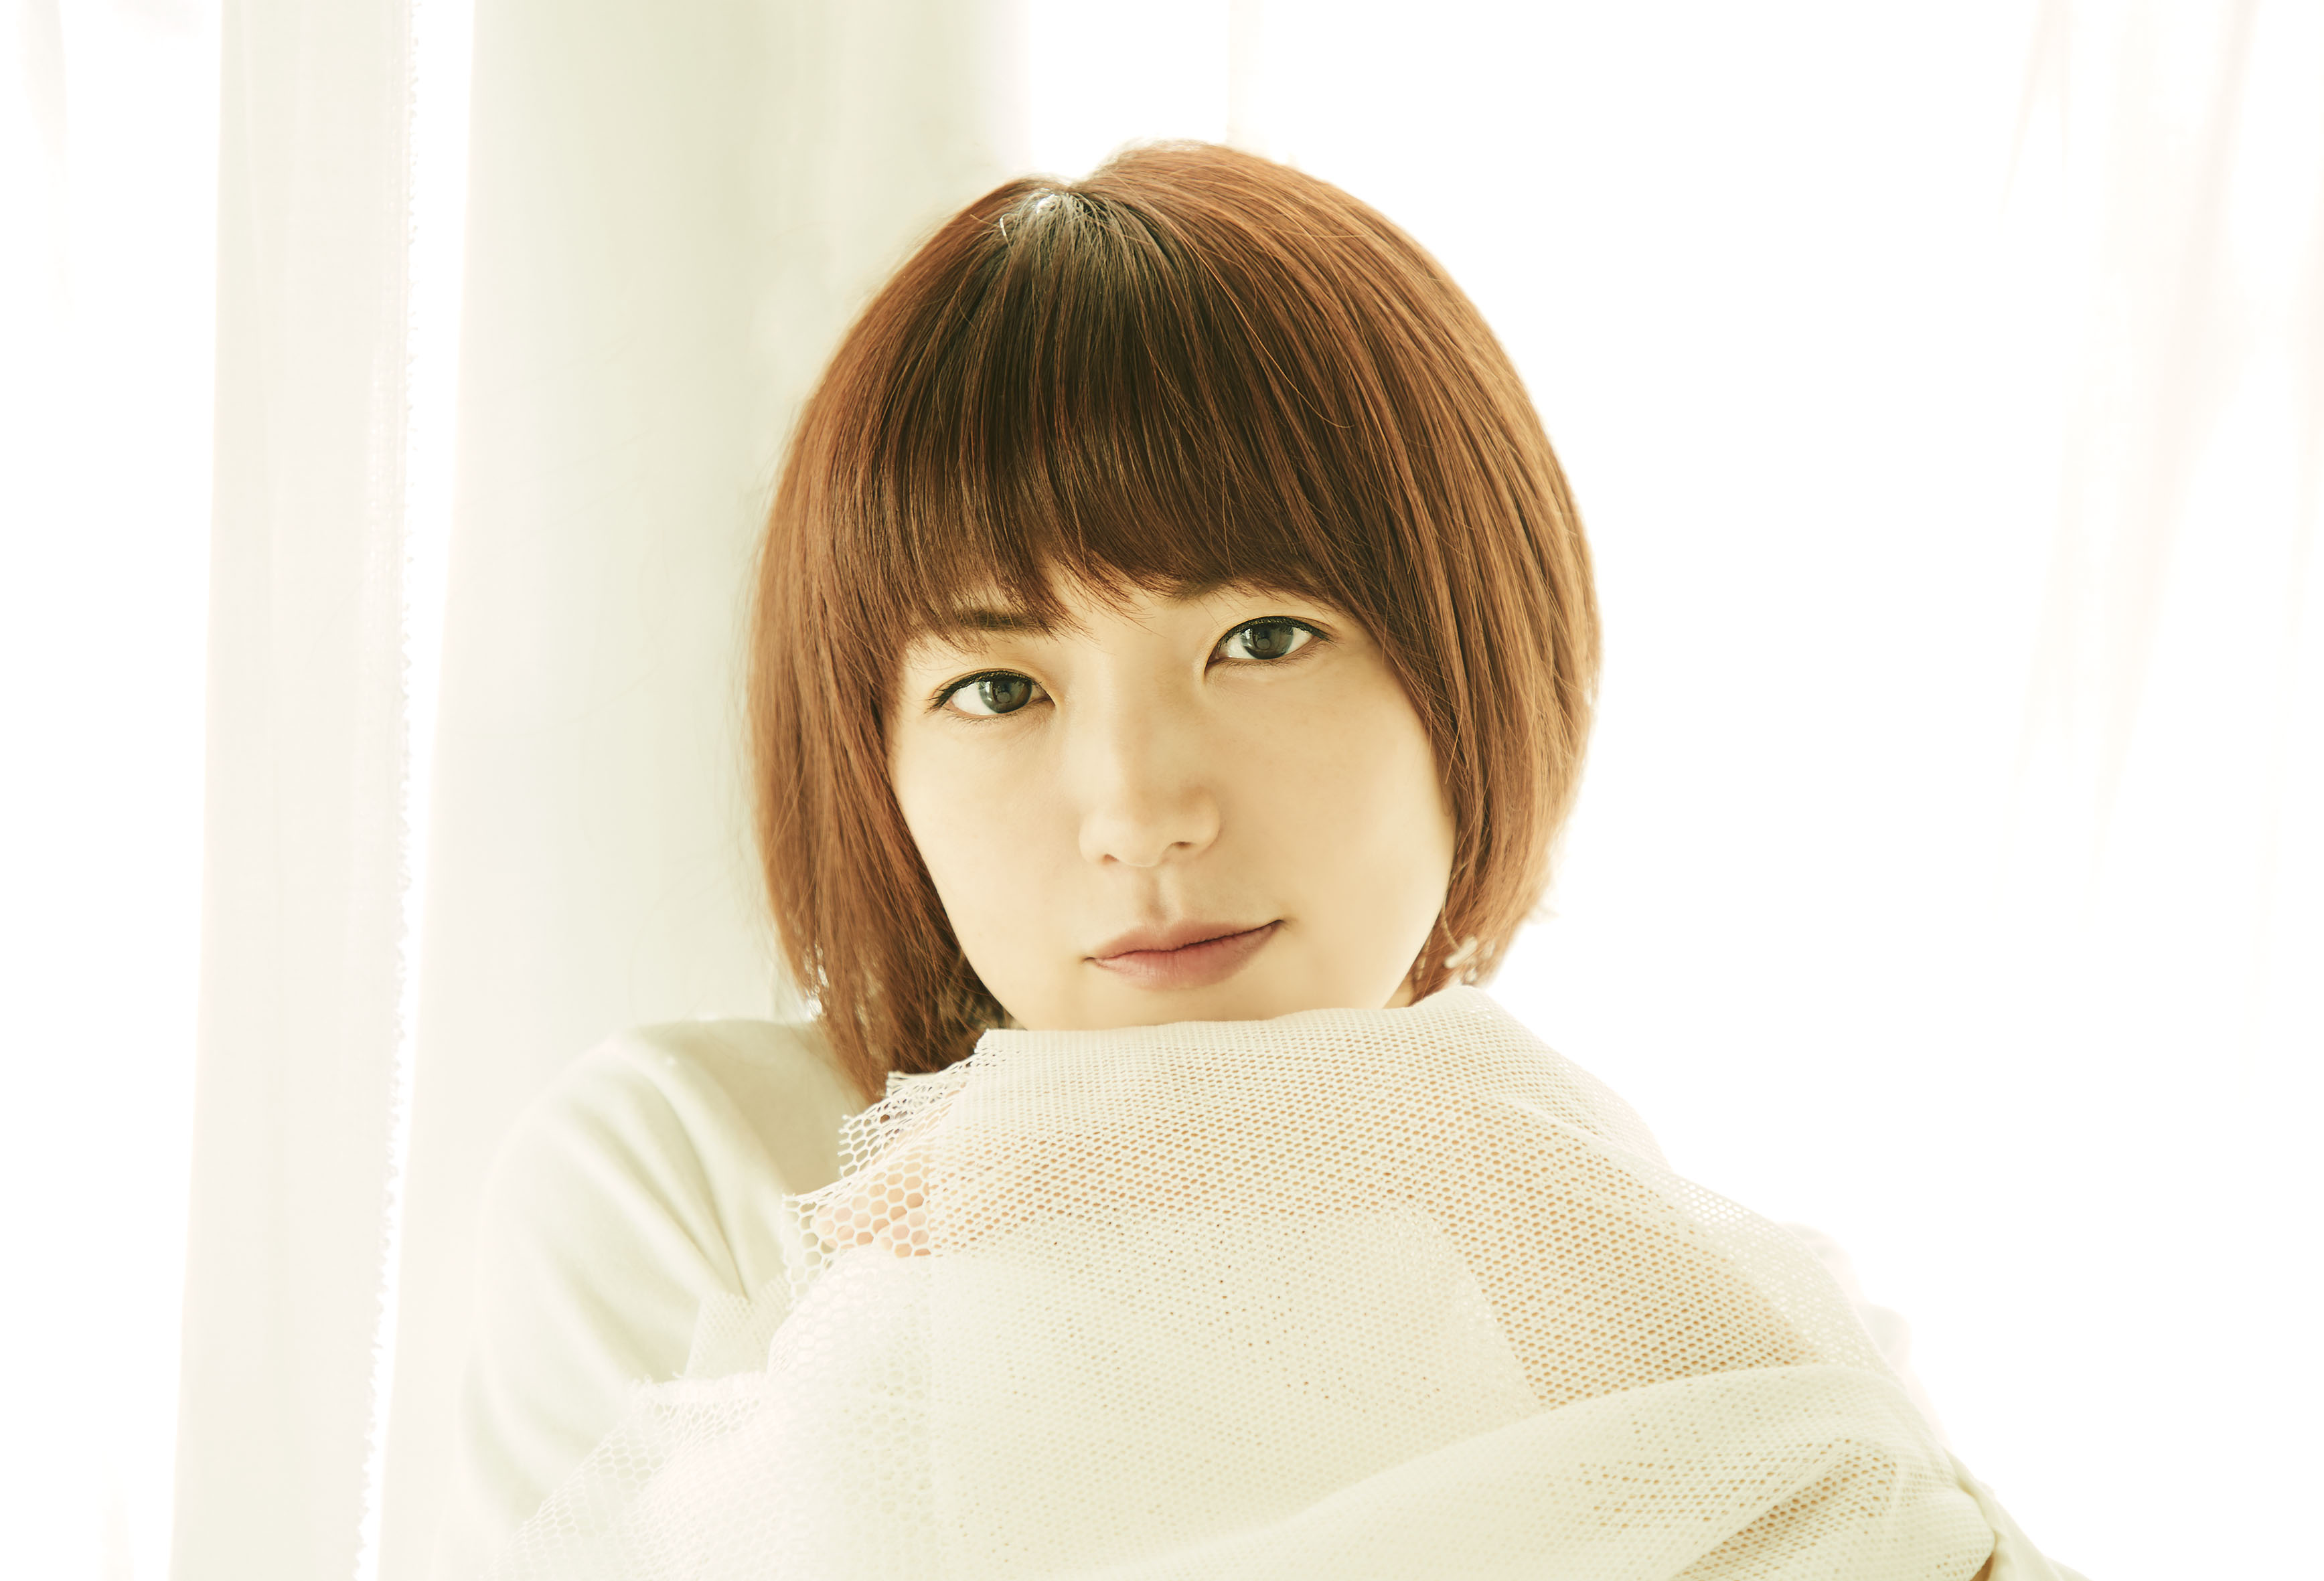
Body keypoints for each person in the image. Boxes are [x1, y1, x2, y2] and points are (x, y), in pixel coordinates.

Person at [439, 143, 2068, 1580]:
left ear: (1476, 668)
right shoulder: (716, 1176)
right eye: (995, 687)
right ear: (873, 762)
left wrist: (1428, 1141)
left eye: (1262, 636)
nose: (1138, 809)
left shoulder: (1673, 1279)